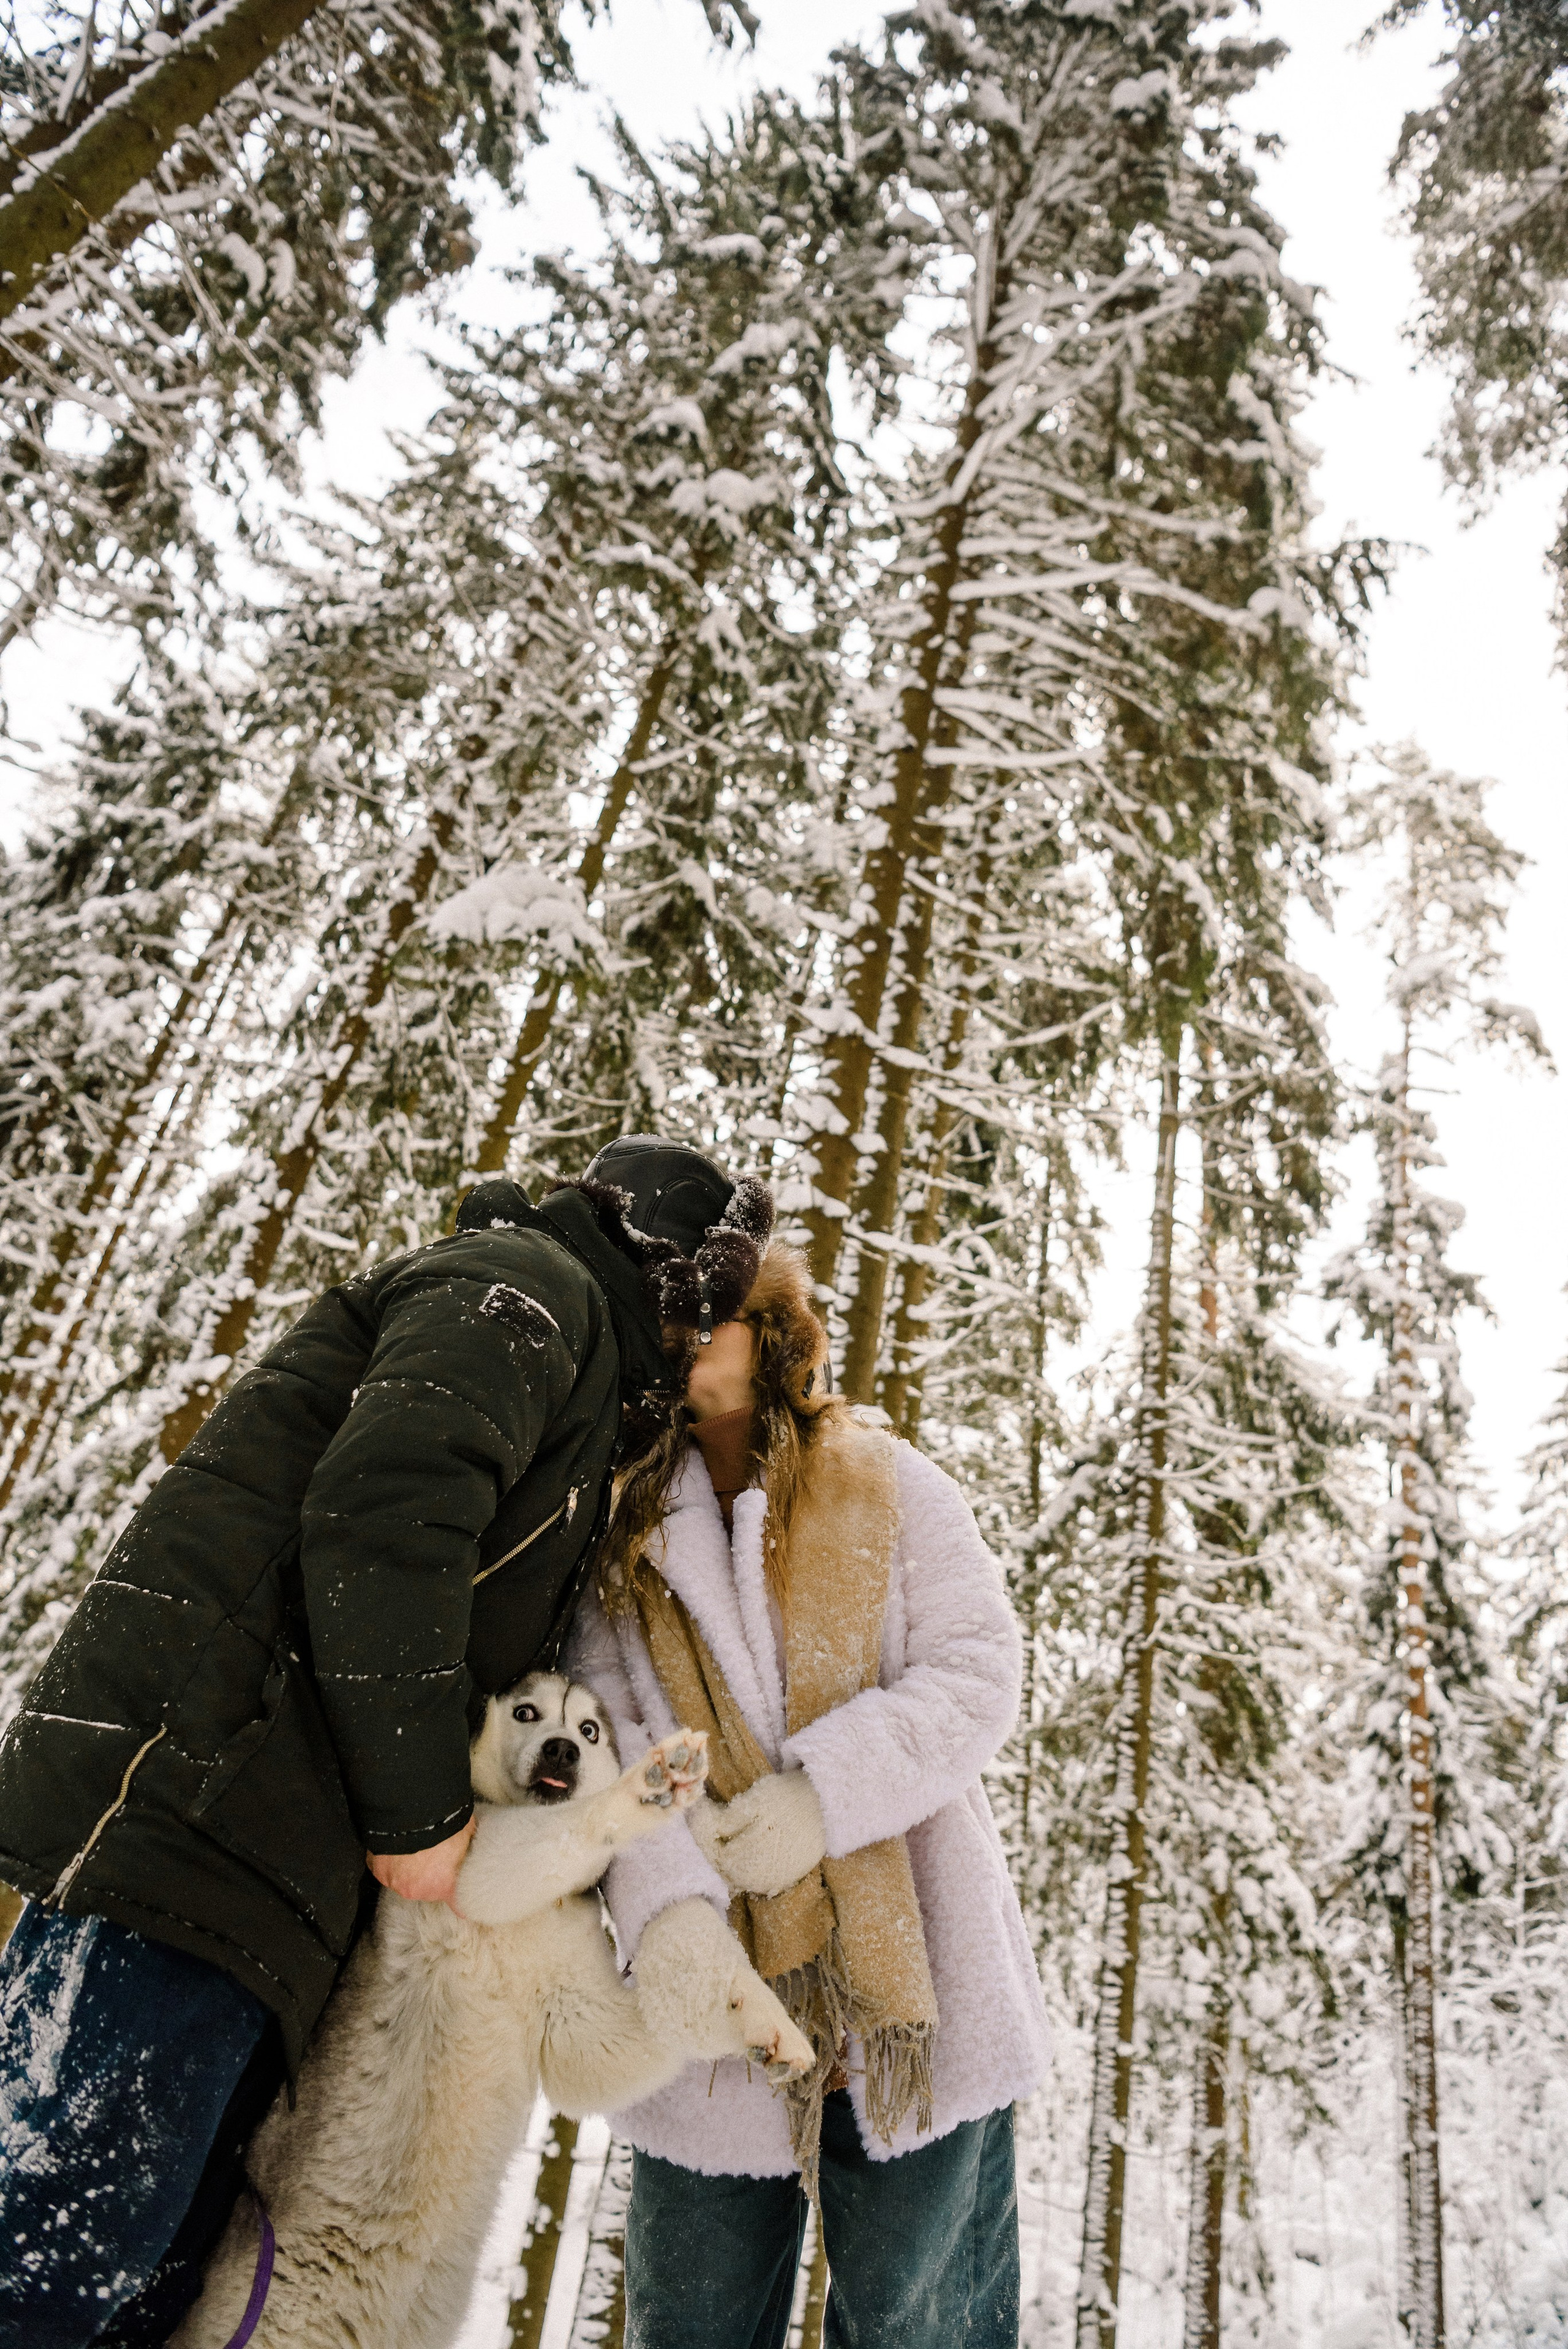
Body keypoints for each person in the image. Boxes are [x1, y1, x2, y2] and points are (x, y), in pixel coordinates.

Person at [0, 1136, 774, 2349]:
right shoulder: (527, 1291)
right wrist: (423, 1820)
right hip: (192, 1813)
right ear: (671, 1279)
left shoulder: (569, 1376)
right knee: (59, 2257)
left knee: (142, 2285)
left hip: (263, 1863)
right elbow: (385, 1507)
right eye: (707, 1318)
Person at [570, 1232, 1050, 2349]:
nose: (685, 1332)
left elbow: (979, 1667)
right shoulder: (621, 1536)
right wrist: (680, 1909)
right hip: (712, 1987)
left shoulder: (892, 1481)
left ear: (773, 1330)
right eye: (667, 1317)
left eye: (712, 1312)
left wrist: (823, 1801)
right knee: (689, 2324)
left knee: (918, 2326)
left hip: (917, 1976)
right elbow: (606, 1736)